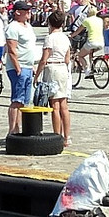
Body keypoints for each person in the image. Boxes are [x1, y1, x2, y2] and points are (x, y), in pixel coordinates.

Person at [4, 0, 40, 139]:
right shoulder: (13, 27)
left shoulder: (28, 26)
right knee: (17, 100)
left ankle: (19, 128)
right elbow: (12, 49)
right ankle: (13, 130)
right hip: (18, 67)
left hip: (28, 66)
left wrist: (32, 65)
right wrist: (17, 67)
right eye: (26, 10)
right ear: (18, 12)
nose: (29, 12)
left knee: (25, 101)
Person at [39, 11, 72, 146]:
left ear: (49, 23)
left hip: (52, 69)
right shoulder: (65, 38)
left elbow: (44, 59)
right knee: (64, 104)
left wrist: (37, 76)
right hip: (63, 69)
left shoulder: (50, 38)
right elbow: (67, 58)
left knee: (55, 106)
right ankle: (67, 137)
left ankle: (57, 136)